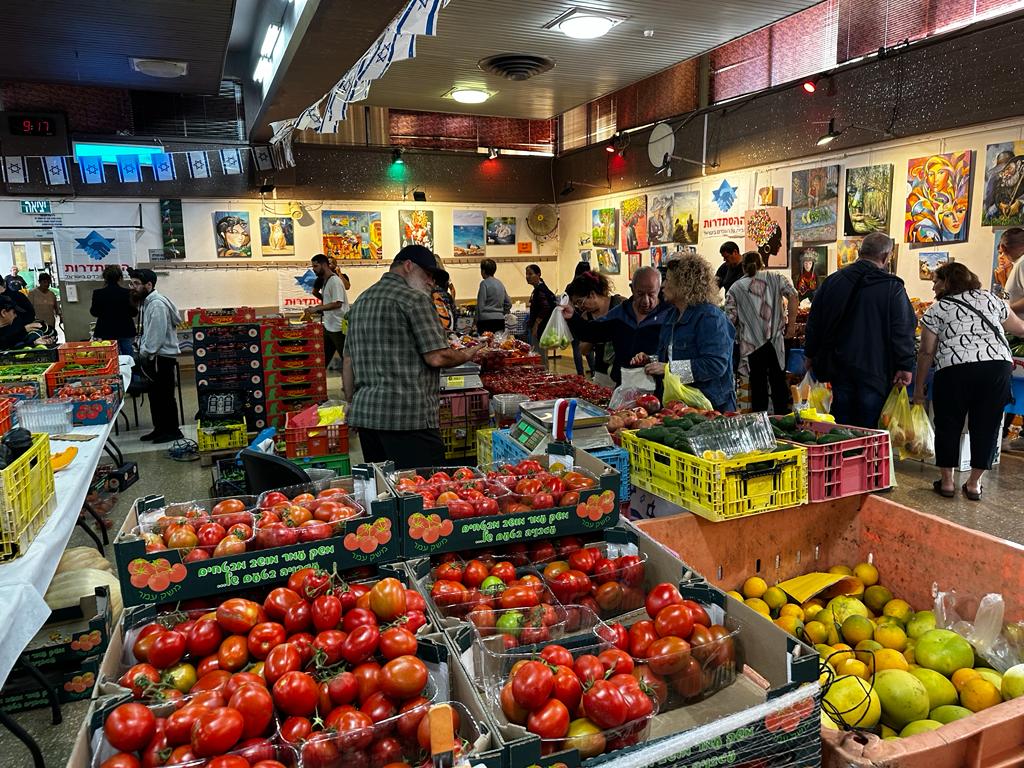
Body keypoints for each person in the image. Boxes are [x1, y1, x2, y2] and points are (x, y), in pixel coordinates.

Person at [343, 245, 482, 468]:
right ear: (408, 266)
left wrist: (351, 403)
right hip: (409, 418)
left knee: (385, 489)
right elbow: (437, 357)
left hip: (368, 417)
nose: (432, 282)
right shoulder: (414, 300)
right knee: (425, 490)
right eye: (428, 274)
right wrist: (470, 352)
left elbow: (348, 359)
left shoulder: (361, 301)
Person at [914, 263, 1024, 500]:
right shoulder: (991, 299)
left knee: (948, 424)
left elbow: (926, 352)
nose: (933, 286)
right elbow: (1020, 329)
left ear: (948, 282)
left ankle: (947, 483)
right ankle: (974, 485)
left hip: (955, 368)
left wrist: (919, 389)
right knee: (987, 425)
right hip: (996, 367)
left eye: (936, 281)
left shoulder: (937, 309)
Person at [805, 232, 917, 428]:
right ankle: (862, 458)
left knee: (841, 425)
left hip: (838, 366)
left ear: (859, 252)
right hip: (875, 369)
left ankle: (842, 457)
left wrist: (810, 353)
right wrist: (905, 364)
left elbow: (815, 322)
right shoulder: (892, 288)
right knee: (868, 429)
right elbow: (903, 329)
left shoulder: (833, 282)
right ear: (885, 257)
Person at [634, 254, 737, 412]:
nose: (663, 286)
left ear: (684, 284)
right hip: (680, 407)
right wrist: (651, 360)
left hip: (710, 408)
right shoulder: (672, 315)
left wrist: (669, 369)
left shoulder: (710, 317)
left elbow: (715, 365)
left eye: (668, 280)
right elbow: (671, 357)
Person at [563, 266, 670, 385]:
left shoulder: (669, 315)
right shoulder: (620, 313)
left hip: (659, 389)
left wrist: (664, 366)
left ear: (660, 289)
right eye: (640, 294)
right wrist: (572, 317)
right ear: (632, 289)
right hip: (624, 385)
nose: (646, 301)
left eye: (651, 294)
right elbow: (591, 332)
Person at [725, 252, 799, 414]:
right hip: (776, 340)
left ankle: (761, 423)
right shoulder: (777, 277)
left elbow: (730, 319)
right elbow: (793, 296)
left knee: (758, 386)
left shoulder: (735, 287)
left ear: (743, 267)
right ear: (762, 263)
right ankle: (782, 423)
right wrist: (791, 326)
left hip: (751, 343)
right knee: (779, 382)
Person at [129, 269, 182, 443]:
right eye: (132, 283)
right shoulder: (147, 302)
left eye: (136, 284)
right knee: (155, 396)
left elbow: (156, 336)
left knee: (165, 396)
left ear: (149, 285)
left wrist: (144, 353)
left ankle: (172, 431)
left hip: (161, 357)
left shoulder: (157, 304)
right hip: (155, 356)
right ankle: (159, 429)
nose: (133, 287)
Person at [566, 271, 624, 387]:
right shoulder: (586, 317)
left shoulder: (620, 305)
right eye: (576, 304)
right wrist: (594, 334)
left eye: (580, 302)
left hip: (623, 372)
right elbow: (583, 350)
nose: (580, 307)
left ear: (592, 294)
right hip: (601, 372)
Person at [307, 254, 349, 367]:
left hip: (339, 327)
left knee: (347, 360)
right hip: (329, 326)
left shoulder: (335, 281)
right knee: (322, 359)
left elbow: (337, 303)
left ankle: (351, 384)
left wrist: (317, 308)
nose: (313, 269)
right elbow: (328, 300)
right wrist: (320, 306)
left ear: (324, 265)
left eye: (315, 266)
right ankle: (318, 382)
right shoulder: (326, 281)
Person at [91, 264, 137, 356]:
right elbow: (134, 313)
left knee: (110, 357)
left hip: (105, 331)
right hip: (126, 330)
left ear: (105, 278)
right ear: (120, 278)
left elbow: (94, 312)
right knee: (128, 358)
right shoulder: (128, 293)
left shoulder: (98, 293)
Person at [567, 261, 593, 375]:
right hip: (588, 317)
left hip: (574, 317)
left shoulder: (571, 286)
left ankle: (580, 374)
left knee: (576, 346)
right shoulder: (591, 284)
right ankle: (594, 370)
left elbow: (567, 302)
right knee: (588, 344)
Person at [525, 264, 556, 352]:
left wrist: (536, 324)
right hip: (541, 327)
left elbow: (545, 307)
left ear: (538, 275)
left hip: (541, 328)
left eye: (530, 274)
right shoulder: (538, 289)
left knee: (539, 354)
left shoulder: (541, 290)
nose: (527, 277)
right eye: (526, 274)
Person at [476, 258, 511, 334]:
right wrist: (502, 313)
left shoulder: (484, 283)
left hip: (485, 321)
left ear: (483, 271)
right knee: (498, 343)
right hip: (500, 321)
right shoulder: (500, 283)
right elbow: (508, 303)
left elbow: (480, 306)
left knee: (486, 344)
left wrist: (476, 322)